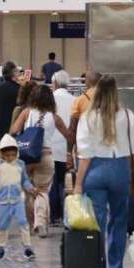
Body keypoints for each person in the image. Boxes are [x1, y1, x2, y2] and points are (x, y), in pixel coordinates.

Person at [73, 76, 134, 268]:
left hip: (95, 171)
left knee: (96, 223)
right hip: (120, 169)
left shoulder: (87, 117)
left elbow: (84, 154)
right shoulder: (128, 116)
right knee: (119, 221)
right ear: (116, 93)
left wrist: (78, 184)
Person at [11, 82, 69, 236]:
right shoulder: (54, 117)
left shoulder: (26, 112)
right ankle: (41, 223)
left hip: (27, 156)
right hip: (46, 156)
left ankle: (31, 225)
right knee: (42, 191)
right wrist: (70, 152)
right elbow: (68, 136)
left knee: (28, 191)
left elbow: (14, 131)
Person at [0, 134, 38, 260]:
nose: (10, 158)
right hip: (3, 202)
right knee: (2, 225)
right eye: (7, 155)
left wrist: (31, 188)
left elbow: (24, 180)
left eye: (13, 155)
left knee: (23, 222)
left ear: (17, 153)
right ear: (1, 153)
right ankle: (1, 248)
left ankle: (27, 248)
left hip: (18, 200)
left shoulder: (20, 164)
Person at [50, 70, 77, 226]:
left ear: (54, 83)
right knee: (65, 182)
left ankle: (54, 216)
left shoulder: (50, 99)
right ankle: (65, 214)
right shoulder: (75, 100)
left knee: (53, 182)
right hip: (68, 147)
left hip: (51, 146)